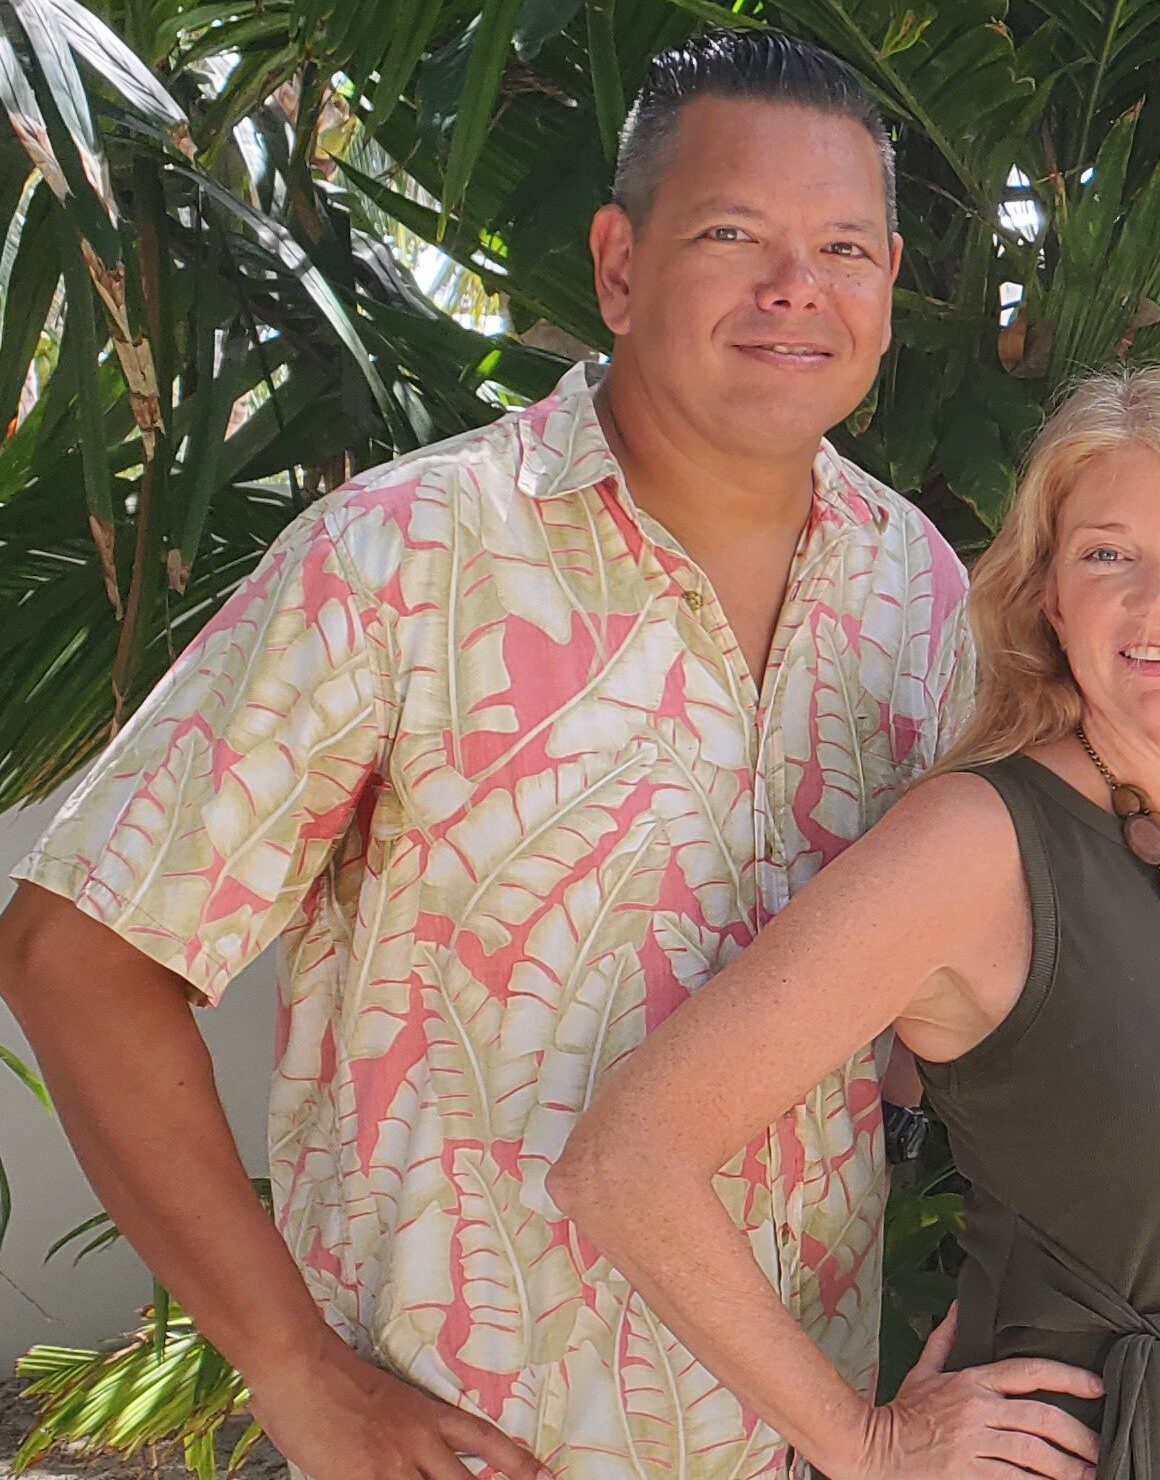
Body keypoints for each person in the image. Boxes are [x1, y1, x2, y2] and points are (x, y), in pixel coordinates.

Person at [0, 31, 992, 1480]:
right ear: (619, 263)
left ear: (889, 286)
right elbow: (77, 952)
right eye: (735, 234)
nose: (799, 289)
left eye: (844, 246)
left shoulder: (918, 590)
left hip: (801, 1438)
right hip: (474, 1442)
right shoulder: (404, 560)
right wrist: (289, 1363)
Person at [549, 366, 1160, 1479]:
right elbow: (623, 1159)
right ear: (1047, 593)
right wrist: (866, 1442)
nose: (1158, 601)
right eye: (1105, 555)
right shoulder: (975, 843)